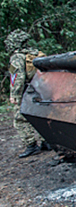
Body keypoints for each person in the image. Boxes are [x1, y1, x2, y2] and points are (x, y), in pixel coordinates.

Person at [5, 29, 47, 158]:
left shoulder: (17, 57)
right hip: (41, 89)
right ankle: (47, 141)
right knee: (41, 115)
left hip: (27, 91)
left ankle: (31, 145)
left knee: (20, 119)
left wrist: (15, 95)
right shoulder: (35, 54)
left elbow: (17, 78)